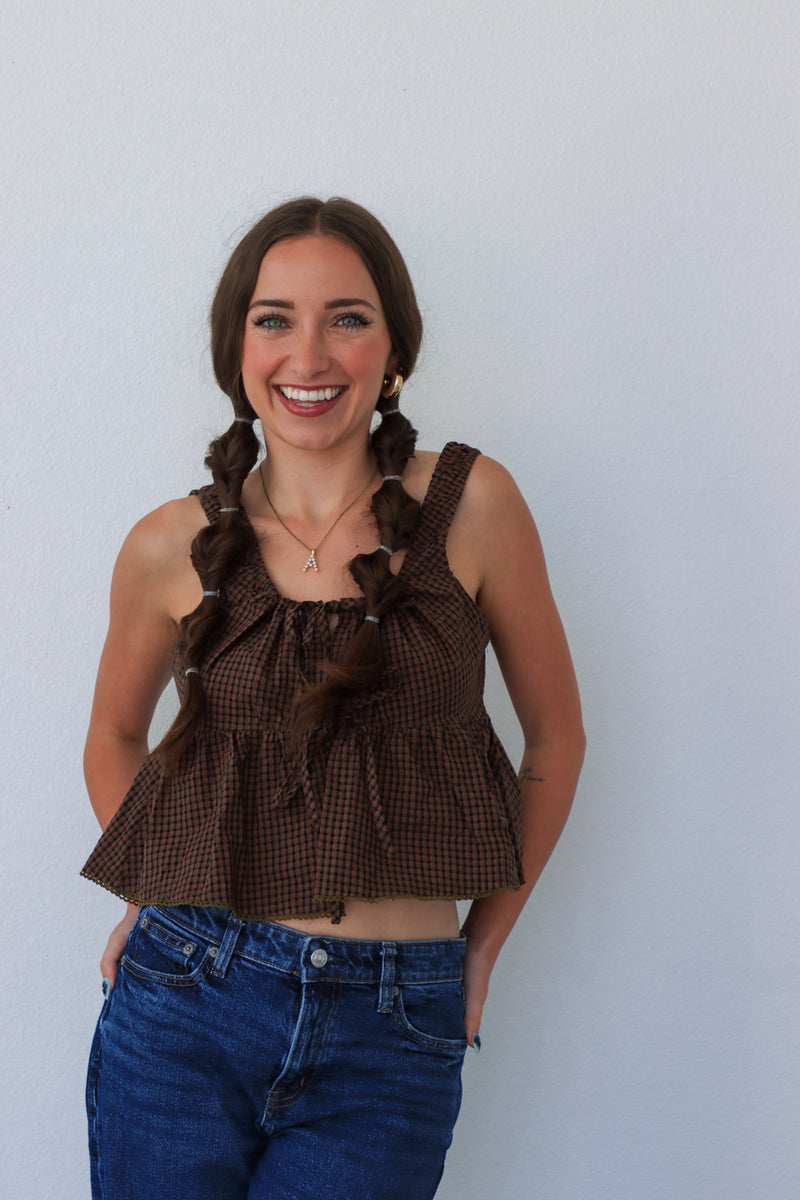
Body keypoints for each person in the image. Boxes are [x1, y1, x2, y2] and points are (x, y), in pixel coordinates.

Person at [82, 196, 585, 1200]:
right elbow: (113, 733)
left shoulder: (472, 505)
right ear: (237, 349)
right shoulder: (164, 545)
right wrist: (156, 884)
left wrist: (479, 950)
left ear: (392, 346)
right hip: (185, 995)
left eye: (345, 317)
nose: (306, 353)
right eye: (274, 319)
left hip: (394, 1025)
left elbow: (553, 742)